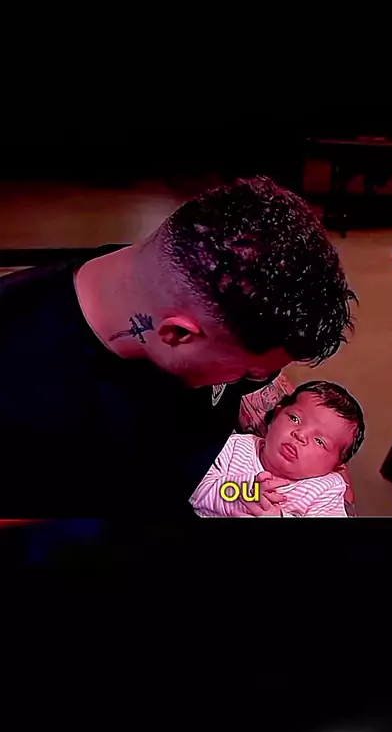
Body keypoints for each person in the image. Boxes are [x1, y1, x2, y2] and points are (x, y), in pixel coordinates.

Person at [0, 176, 356, 516]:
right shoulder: (27, 404)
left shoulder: (167, 277)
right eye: (247, 370)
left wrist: (321, 457)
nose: (255, 379)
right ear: (179, 334)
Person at [190, 380, 365, 517]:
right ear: (276, 415)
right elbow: (194, 488)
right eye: (295, 419)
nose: (300, 435)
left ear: (337, 466)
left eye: (319, 441)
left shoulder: (326, 489)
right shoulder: (235, 447)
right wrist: (239, 492)